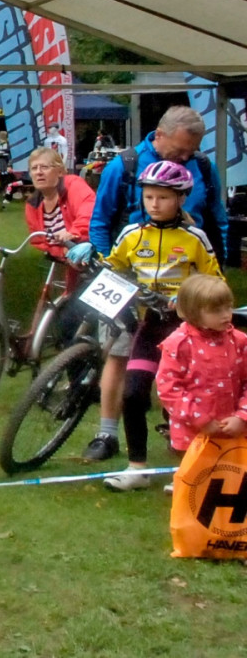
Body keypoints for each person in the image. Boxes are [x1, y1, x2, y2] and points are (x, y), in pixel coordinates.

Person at [73, 160, 223, 490]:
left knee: (180, 401)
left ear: (181, 199)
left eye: (163, 198)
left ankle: (188, 471)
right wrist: (91, 257)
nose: (154, 204)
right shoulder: (132, 234)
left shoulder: (195, 238)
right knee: (133, 393)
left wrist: (188, 296)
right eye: (149, 197)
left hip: (185, 331)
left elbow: (216, 283)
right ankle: (137, 468)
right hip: (149, 325)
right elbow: (114, 267)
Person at [89, 105, 229, 263]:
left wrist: (219, 263)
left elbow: (219, 220)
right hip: (135, 267)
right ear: (159, 135)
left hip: (190, 267)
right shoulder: (123, 166)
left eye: (191, 151)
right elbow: (100, 222)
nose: (184, 157)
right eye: (179, 150)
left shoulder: (204, 167)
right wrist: (105, 265)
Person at [156, 275, 247, 456]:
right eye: (216, 310)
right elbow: (169, 388)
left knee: (235, 473)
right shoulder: (178, 344)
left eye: (228, 307)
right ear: (193, 312)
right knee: (199, 474)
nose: (226, 315)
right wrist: (202, 420)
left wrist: (242, 417)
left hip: (236, 433)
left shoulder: (240, 341)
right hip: (192, 436)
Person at [21, 147, 94, 261]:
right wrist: (62, 252)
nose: (39, 172)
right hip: (66, 260)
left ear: (60, 171)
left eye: (44, 167)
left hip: (91, 251)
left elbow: (89, 213)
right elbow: (38, 241)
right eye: (34, 168)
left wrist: (73, 233)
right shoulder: (33, 204)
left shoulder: (74, 185)